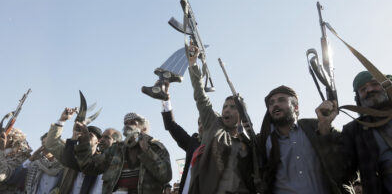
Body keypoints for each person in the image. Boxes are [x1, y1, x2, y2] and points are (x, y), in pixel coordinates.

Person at [186, 45, 255, 194]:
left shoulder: (249, 142)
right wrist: (193, 64)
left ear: (242, 114)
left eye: (233, 107)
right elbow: (201, 96)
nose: (227, 110)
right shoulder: (213, 124)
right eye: (225, 107)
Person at [258, 85, 348, 194]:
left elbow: (343, 165)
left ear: (296, 107)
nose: (275, 104)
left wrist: (325, 130)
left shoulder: (315, 127)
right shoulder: (264, 142)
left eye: (281, 100)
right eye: (271, 103)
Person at [74, 112, 172, 194]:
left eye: (133, 122)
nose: (128, 125)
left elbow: (166, 176)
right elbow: (88, 166)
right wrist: (85, 140)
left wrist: (147, 152)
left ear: (142, 128)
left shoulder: (156, 147)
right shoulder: (116, 149)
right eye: (126, 123)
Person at [341, 71, 392, 193]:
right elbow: (342, 173)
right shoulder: (354, 130)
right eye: (363, 89)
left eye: (374, 84)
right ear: (358, 98)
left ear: (387, 87)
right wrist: (325, 128)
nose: (369, 90)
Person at [45, 107, 105, 194]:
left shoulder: (102, 161)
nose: (86, 137)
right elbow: (51, 144)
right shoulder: (71, 155)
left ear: (98, 141)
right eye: (84, 134)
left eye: (90, 135)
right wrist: (62, 120)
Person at [0, 128, 31, 193]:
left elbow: (2, 175)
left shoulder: (19, 157)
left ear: (12, 140)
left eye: (4, 137)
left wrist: (1, 151)